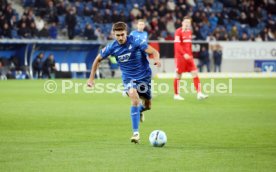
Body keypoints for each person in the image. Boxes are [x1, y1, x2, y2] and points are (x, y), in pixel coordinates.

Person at [87, 22, 161, 144]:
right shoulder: (112, 47)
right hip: (128, 79)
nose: (120, 38)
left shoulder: (136, 41)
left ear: (126, 33)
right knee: (134, 97)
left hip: (144, 77)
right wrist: (91, 78)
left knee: (148, 106)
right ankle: (135, 133)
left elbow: (154, 52)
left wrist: (157, 60)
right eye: (118, 35)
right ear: (113, 34)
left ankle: (140, 111)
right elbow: (97, 59)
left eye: (122, 34)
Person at [173, 16, 208, 100]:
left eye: (189, 23)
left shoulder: (189, 32)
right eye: (186, 22)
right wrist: (183, 54)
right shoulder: (178, 31)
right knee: (178, 75)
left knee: (195, 73)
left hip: (189, 57)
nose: (187, 24)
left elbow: (188, 45)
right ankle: (176, 95)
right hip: (180, 57)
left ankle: (199, 93)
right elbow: (177, 45)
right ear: (182, 23)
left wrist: (190, 55)